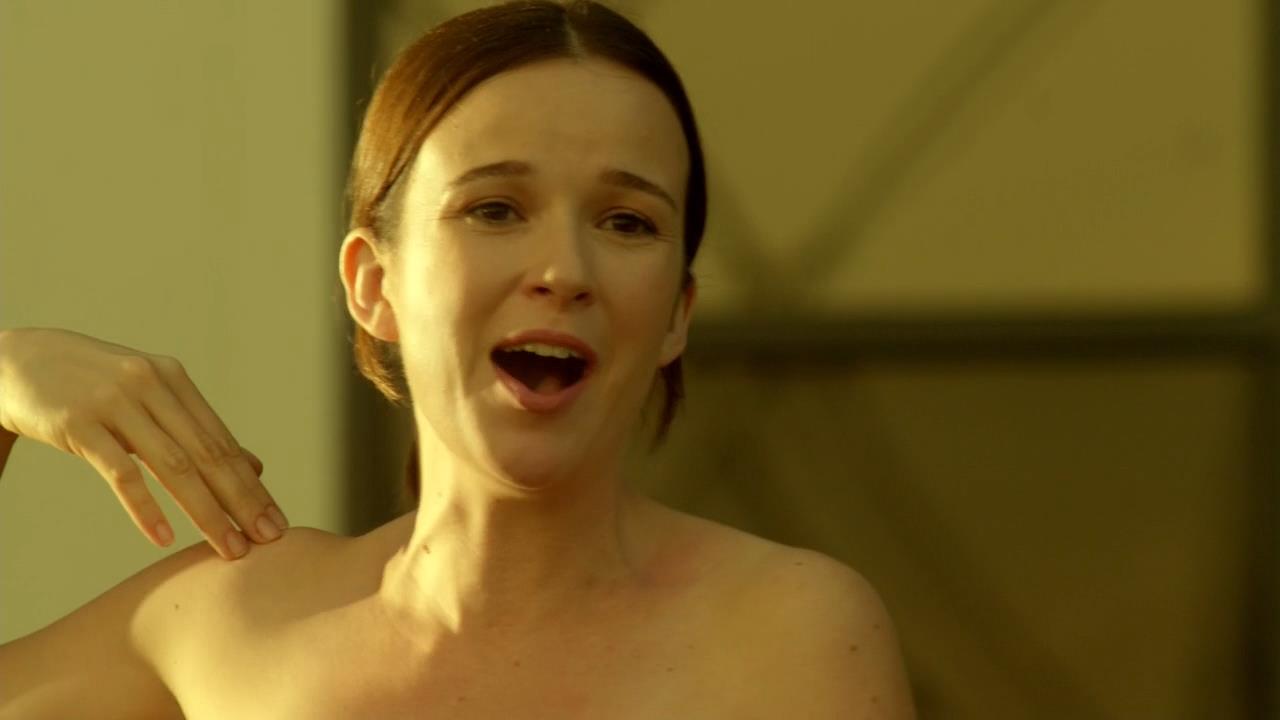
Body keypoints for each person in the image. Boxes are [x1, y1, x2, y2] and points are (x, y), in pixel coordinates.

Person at [0, 1, 916, 717]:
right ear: (373, 283)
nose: (565, 270)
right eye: (495, 209)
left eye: (628, 222)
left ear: (678, 313)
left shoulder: (790, 630)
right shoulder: (231, 621)